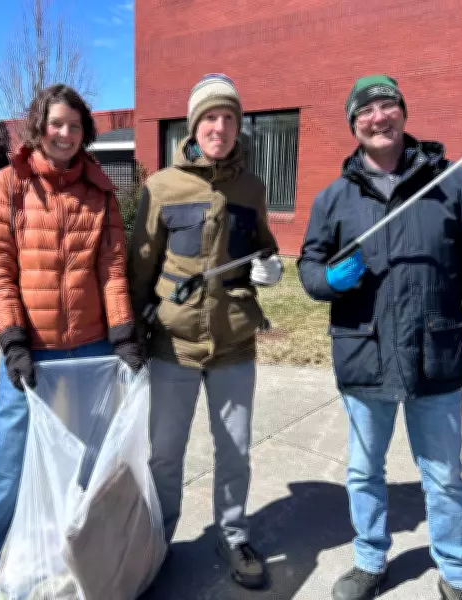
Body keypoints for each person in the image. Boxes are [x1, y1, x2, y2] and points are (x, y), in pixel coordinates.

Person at [297, 75, 462, 600]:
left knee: (442, 475)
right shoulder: (335, 198)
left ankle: (457, 572)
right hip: (364, 354)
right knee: (363, 471)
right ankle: (370, 560)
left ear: (403, 113)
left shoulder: (451, 183)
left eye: (387, 104)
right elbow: (308, 266)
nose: (378, 116)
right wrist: (328, 280)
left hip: (433, 354)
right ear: (354, 125)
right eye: (365, 110)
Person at [0, 84, 144, 600]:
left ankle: (76, 577)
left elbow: (112, 269)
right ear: (39, 126)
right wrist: (13, 340)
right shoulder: (9, 187)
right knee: (2, 482)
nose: (65, 133)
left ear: (85, 133)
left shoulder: (99, 192)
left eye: (75, 126)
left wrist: (122, 333)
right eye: (57, 123)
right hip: (30, 360)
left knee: (87, 477)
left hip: (92, 355)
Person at [127, 73, 283, 589]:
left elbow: (263, 245)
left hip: (234, 343)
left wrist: (271, 267)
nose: (219, 127)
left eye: (229, 118)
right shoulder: (163, 187)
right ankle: (159, 536)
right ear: (194, 126)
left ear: (239, 126)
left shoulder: (252, 187)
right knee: (165, 453)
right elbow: (140, 267)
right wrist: (131, 332)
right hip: (173, 344)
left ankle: (233, 534)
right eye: (210, 118)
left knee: (234, 449)